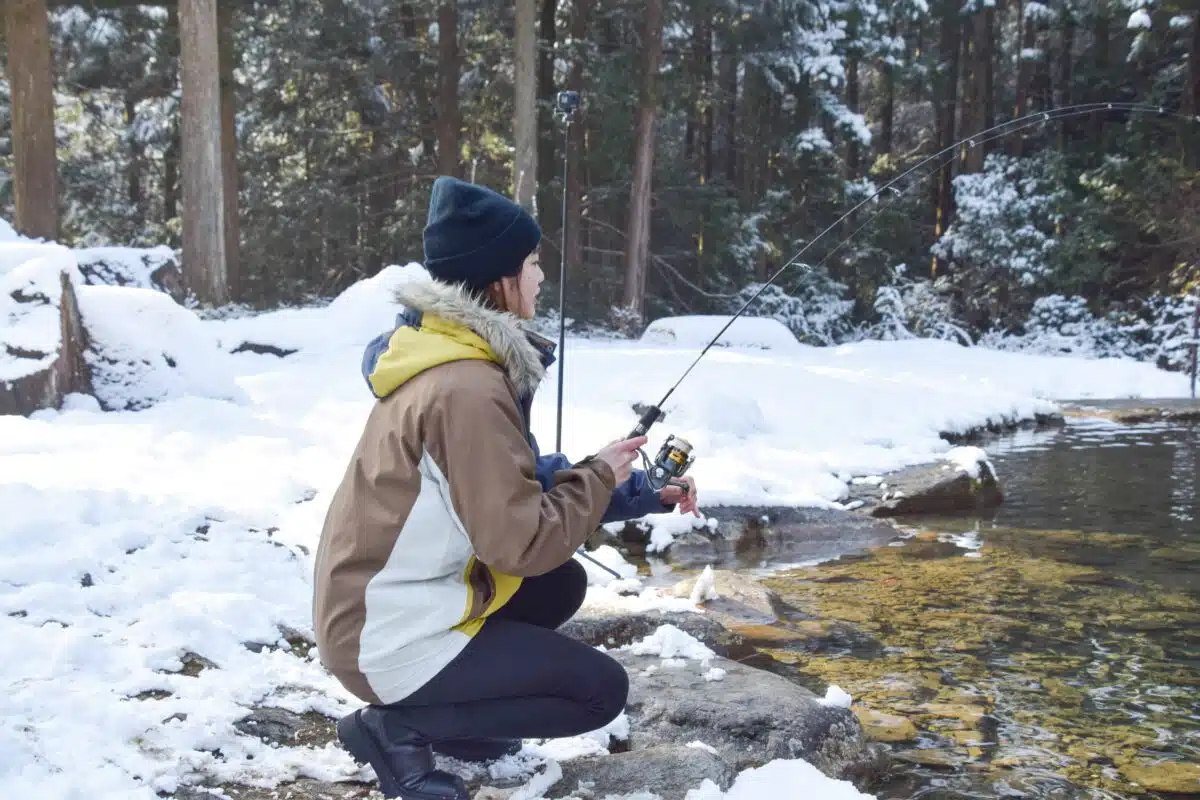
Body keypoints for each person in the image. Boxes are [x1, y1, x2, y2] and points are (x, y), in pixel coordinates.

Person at [312, 176, 700, 800]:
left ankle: (459, 729)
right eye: (533, 261)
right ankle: (397, 726)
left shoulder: (444, 359)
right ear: (499, 277)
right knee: (599, 692)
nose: (542, 276)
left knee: (561, 584)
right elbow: (518, 545)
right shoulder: (464, 388)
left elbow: (507, 484)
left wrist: (628, 492)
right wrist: (598, 476)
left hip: (379, 607)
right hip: (383, 634)